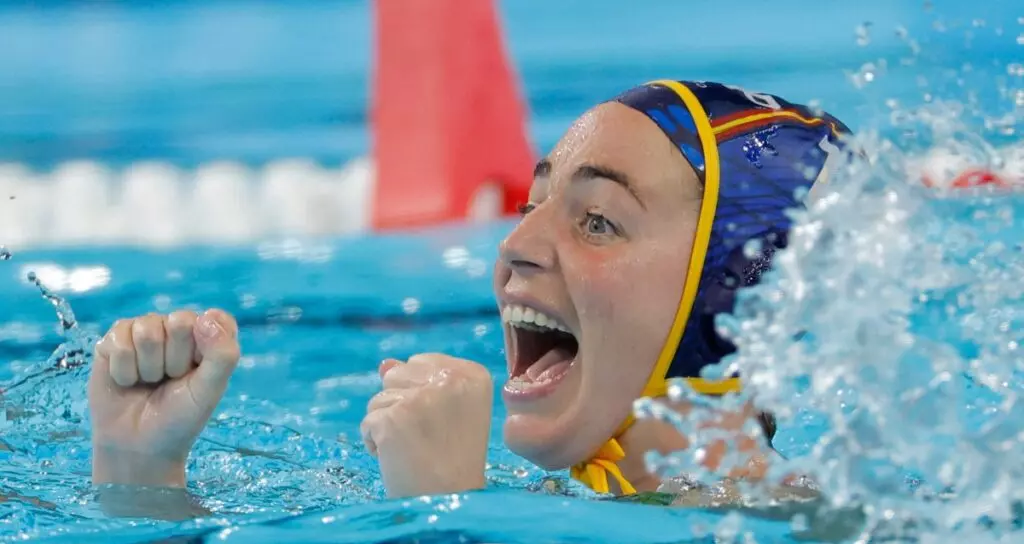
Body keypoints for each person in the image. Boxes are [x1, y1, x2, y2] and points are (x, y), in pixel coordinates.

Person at [87, 80, 851, 504]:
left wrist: (445, 520)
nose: (514, 247)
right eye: (531, 205)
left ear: (735, 301)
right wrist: (139, 473)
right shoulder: (579, 507)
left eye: (595, 221)